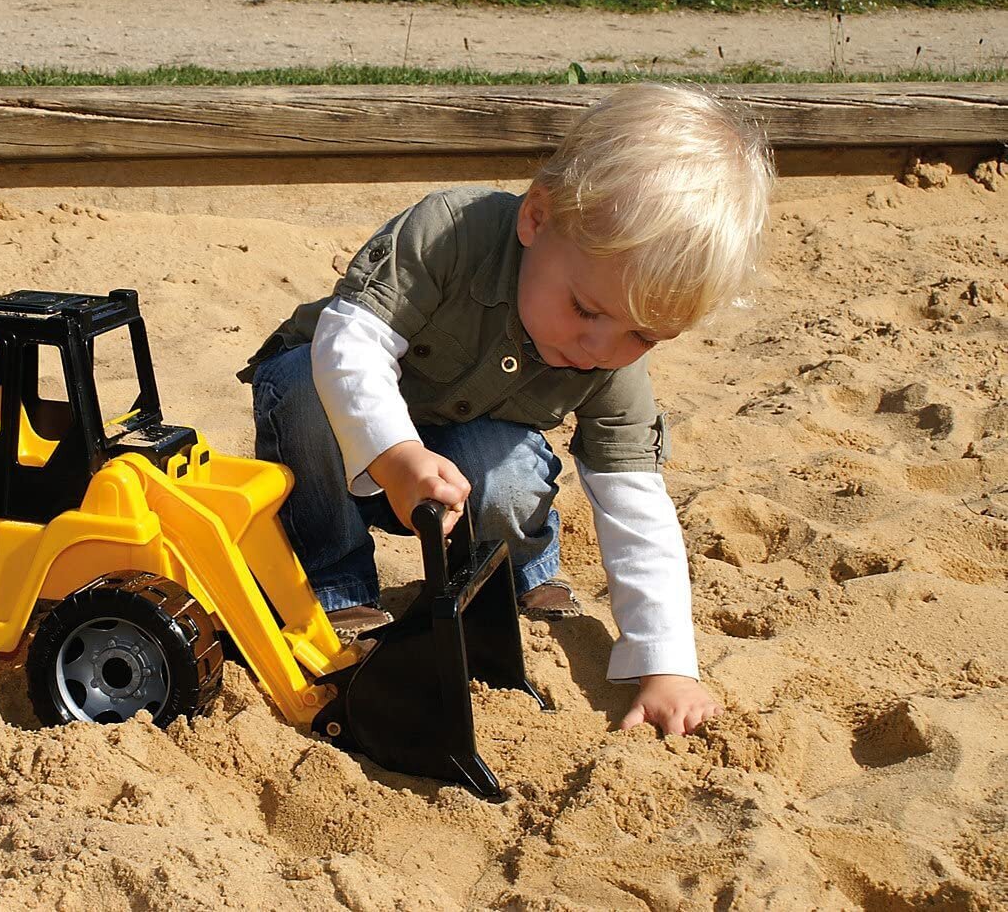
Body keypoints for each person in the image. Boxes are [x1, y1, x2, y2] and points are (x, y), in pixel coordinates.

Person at [238, 84, 774, 735]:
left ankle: (519, 571)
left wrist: (668, 666)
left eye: (643, 336)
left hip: (451, 476)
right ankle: (338, 587)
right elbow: (348, 345)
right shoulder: (449, 234)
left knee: (514, 468)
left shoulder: (612, 356)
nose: (599, 348)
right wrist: (397, 454)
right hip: (332, 438)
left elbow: (636, 500)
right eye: (585, 309)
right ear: (538, 218)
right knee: (300, 381)